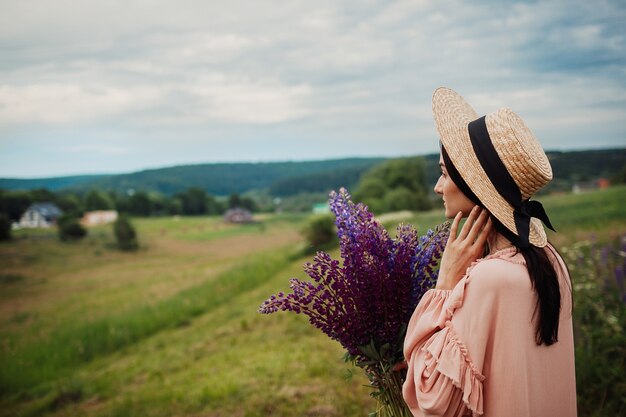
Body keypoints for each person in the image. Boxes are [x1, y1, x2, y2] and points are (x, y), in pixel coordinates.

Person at [402, 87, 577, 416]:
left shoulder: (489, 279)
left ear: (469, 182)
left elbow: (433, 398)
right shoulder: (549, 260)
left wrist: (444, 283)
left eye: (443, 173)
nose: (438, 187)